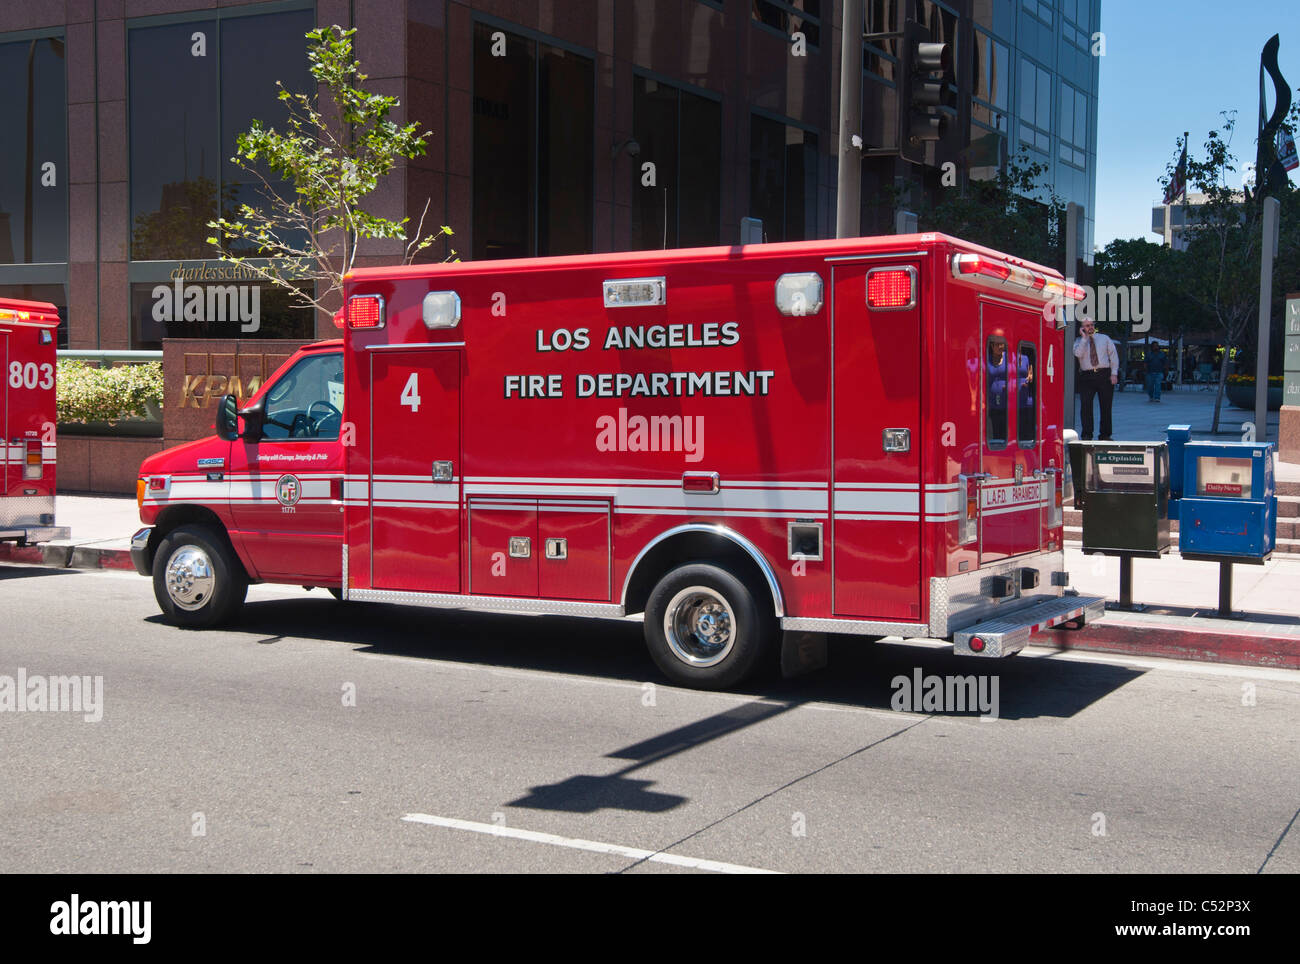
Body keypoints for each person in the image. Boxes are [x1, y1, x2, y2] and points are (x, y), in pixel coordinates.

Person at [1074, 320, 1119, 440]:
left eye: (1092, 325)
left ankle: (1105, 434)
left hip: (1104, 374)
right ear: (1082, 328)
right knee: (1086, 406)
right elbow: (1078, 354)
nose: (1090, 327)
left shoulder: (1104, 338)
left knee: (1106, 406)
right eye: (1087, 326)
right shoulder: (1078, 341)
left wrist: (1114, 373)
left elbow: (1113, 356)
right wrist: (1084, 339)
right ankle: (1087, 434)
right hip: (1087, 376)